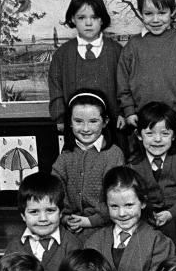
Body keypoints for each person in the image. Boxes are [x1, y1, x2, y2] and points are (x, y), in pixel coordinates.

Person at [84, 166, 174, 271]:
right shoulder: (93, 242)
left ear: (143, 203)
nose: (122, 214)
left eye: (129, 205)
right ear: (106, 205)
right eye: (114, 206)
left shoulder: (159, 243)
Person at [118, 0, 176, 135]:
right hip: (140, 119)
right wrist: (128, 110)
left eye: (161, 13)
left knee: (173, 157)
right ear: (140, 13)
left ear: (172, 12)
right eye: (148, 14)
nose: (155, 20)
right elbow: (122, 82)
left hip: (172, 119)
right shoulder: (132, 46)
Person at [5, 172, 82, 271]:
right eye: (34, 212)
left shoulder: (71, 245)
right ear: (23, 215)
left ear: (60, 213)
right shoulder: (14, 247)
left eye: (50, 211)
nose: (43, 218)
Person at [52, 90, 125, 239]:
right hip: (70, 225)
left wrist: (90, 221)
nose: (85, 129)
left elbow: (117, 196)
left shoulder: (113, 154)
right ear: (70, 123)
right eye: (78, 121)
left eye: (93, 121)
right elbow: (56, 190)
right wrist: (66, 218)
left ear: (105, 122)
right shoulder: (66, 155)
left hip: (104, 226)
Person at [48, 0, 122, 136]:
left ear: (102, 19)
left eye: (94, 17)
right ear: (72, 19)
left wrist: (124, 113)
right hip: (77, 129)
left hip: (113, 125)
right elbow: (55, 86)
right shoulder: (62, 54)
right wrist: (60, 117)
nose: (88, 23)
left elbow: (125, 86)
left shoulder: (116, 51)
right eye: (81, 17)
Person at [127, 102, 176, 247]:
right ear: (138, 135)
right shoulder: (132, 165)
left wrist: (171, 213)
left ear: (174, 135)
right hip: (146, 219)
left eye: (165, 133)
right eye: (150, 133)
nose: (157, 139)